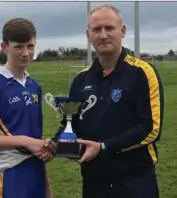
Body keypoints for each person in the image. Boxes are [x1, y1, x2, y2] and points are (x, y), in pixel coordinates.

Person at [54, 5, 164, 198]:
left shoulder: (142, 72)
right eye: (96, 29)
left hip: (134, 181)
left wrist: (104, 147)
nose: (103, 35)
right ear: (88, 35)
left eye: (109, 28)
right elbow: (71, 125)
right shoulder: (81, 80)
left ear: (122, 31)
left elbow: (150, 127)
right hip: (94, 181)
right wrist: (56, 143)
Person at [0, 18, 54, 198]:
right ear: (4, 46)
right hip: (9, 175)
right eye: (19, 46)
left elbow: (36, 141)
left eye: (30, 46)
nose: (26, 53)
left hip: (36, 174)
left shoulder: (34, 86)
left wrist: (47, 187)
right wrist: (24, 141)